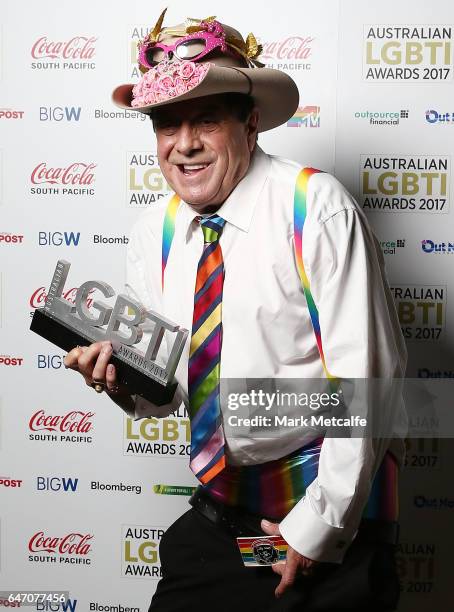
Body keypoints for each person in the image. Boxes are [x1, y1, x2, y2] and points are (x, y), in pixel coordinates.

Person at [64, 10, 407, 612]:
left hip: (321, 519)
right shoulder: (156, 231)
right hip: (226, 522)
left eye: (206, 121)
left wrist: (316, 529)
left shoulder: (314, 208)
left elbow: (369, 382)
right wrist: (122, 380)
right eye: (167, 124)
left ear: (250, 123)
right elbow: (168, 393)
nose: (184, 144)